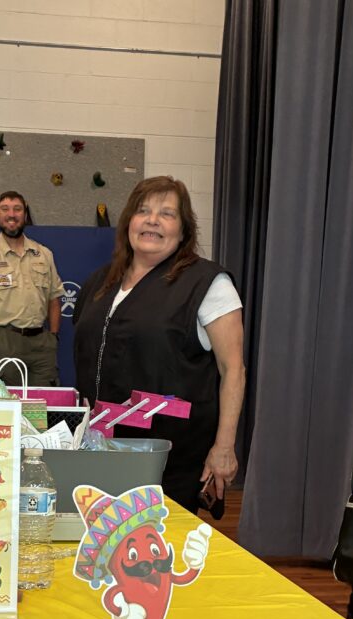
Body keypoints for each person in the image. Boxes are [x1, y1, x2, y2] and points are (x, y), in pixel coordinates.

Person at [73, 175, 245, 512]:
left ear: (183, 231)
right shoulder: (99, 282)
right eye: (143, 211)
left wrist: (224, 446)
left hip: (168, 459)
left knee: (152, 554)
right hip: (96, 451)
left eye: (167, 213)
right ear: (128, 223)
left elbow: (233, 369)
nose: (152, 220)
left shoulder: (208, 283)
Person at [0, 191, 64, 386]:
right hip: (7, 341)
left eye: (17, 209)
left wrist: (53, 337)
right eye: (5, 209)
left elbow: (54, 299)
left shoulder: (43, 254)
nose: (11, 214)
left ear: (25, 214)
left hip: (42, 343)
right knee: (8, 404)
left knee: (43, 406)